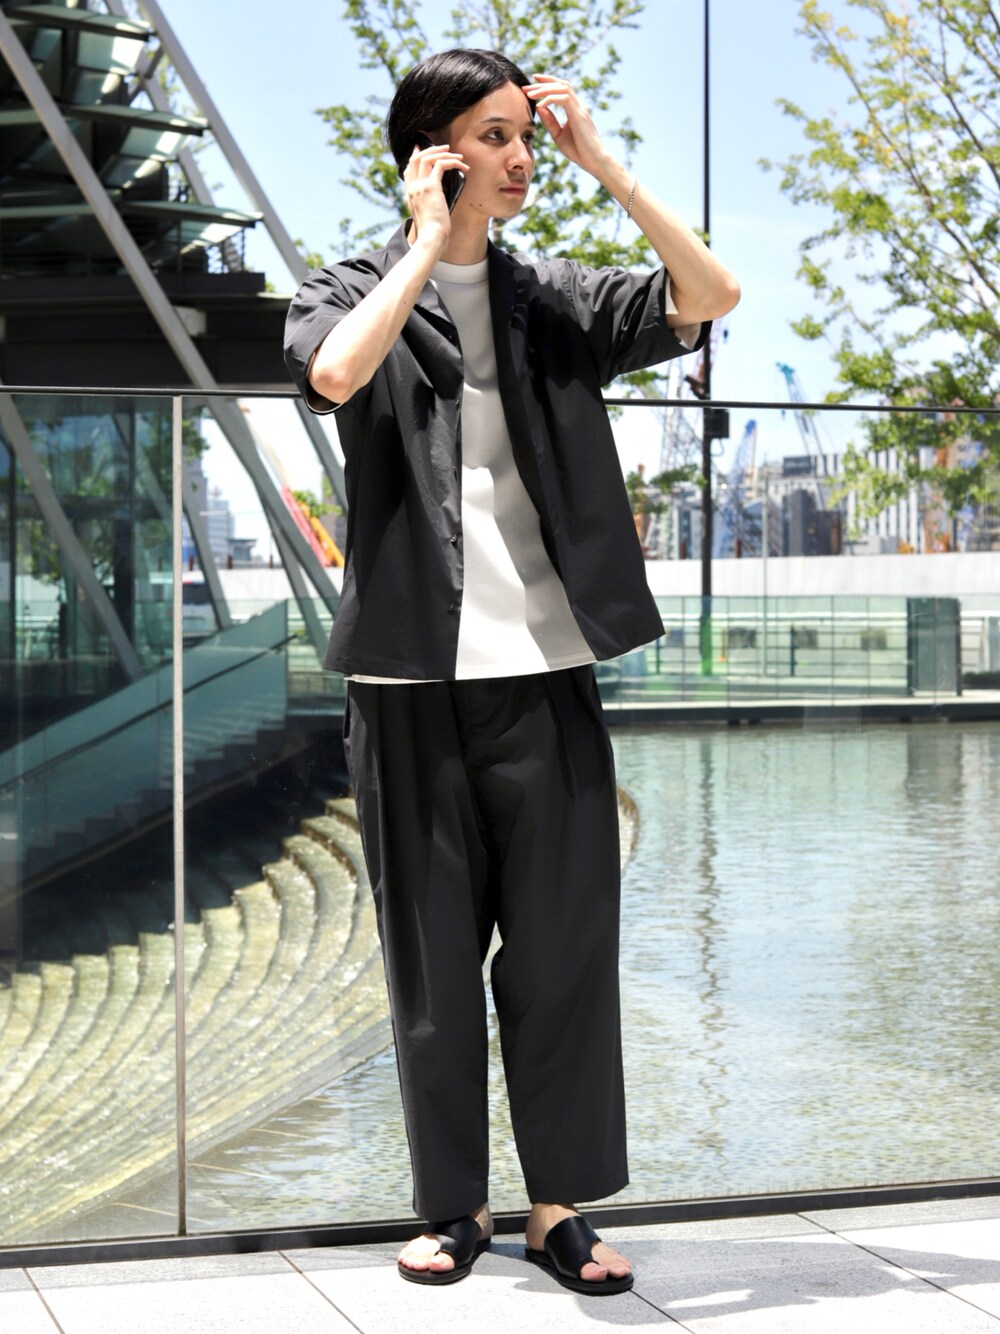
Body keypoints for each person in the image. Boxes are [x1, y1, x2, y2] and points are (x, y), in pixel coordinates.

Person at [284, 47, 739, 1294]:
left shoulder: (552, 299)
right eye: (494, 136)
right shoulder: (349, 287)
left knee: (562, 952)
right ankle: (452, 1206)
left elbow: (711, 294)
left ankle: (556, 1209)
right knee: (434, 963)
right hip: (408, 685)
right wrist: (424, 246)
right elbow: (335, 373)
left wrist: (606, 167)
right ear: (432, 152)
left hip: (545, 673)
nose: (521, 157)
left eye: (526, 135)